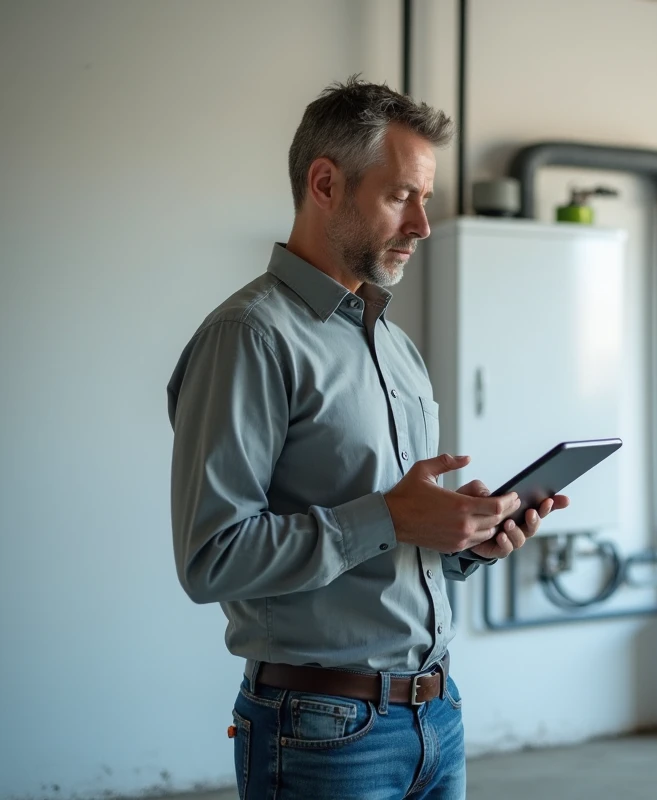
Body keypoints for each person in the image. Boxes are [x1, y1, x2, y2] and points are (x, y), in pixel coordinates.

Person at [166, 76, 567, 800]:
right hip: (321, 729)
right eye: (400, 196)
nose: (423, 225)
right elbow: (211, 558)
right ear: (326, 183)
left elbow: (391, 543)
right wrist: (387, 516)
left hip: (435, 716)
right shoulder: (249, 338)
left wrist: (463, 540)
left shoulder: (395, 346)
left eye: (426, 199)